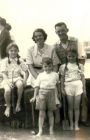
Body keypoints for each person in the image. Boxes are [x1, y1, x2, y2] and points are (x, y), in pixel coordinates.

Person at [26, 28, 60, 123]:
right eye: (36, 36)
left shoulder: (51, 48)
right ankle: (42, 115)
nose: (38, 38)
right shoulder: (30, 49)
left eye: (40, 35)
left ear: (44, 36)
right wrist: (39, 78)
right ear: (34, 38)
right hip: (36, 75)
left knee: (52, 87)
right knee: (40, 88)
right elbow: (30, 66)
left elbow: (55, 65)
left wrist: (52, 76)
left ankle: (55, 112)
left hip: (50, 73)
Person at [30, 57, 60, 136]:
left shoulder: (55, 75)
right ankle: (40, 130)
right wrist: (34, 96)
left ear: (52, 66)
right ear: (42, 67)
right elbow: (36, 86)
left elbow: (57, 85)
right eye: (45, 66)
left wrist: (58, 96)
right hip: (42, 94)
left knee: (50, 113)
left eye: (49, 66)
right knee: (41, 113)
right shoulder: (40, 75)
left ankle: (51, 129)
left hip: (52, 94)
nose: (47, 68)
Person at [59, 50, 86, 130]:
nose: (71, 58)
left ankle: (76, 124)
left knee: (77, 107)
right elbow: (62, 79)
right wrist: (62, 89)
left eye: (73, 56)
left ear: (76, 56)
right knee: (70, 107)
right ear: (67, 57)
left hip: (78, 85)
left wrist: (84, 88)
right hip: (68, 86)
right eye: (69, 56)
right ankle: (71, 124)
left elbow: (82, 78)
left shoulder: (80, 65)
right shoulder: (63, 66)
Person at [1, 42, 29, 117]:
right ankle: (8, 106)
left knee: (20, 84)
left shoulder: (20, 61)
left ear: (17, 51)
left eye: (15, 50)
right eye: (11, 51)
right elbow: (3, 74)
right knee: (7, 90)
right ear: (8, 51)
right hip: (7, 79)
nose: (13, 52)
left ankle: (18, 103)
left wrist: (25, 80)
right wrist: (8, 82)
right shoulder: (5, 61)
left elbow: (26, 72)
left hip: (17, 78)